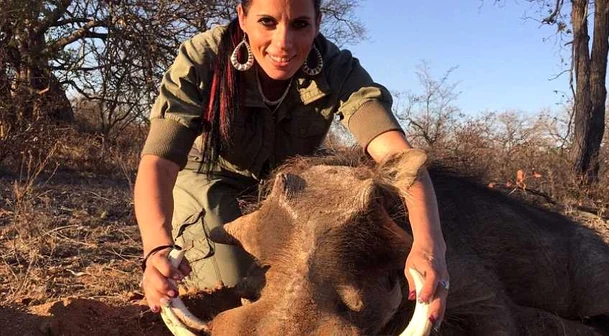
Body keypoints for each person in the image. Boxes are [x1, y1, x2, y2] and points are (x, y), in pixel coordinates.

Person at [135, 0, 449, 330]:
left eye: (300, 24)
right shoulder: (202, 58)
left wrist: (430, 247)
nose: (283, 43)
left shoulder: (338, 68)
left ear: (318, 22)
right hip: (211, 176)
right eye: (267, 22)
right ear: (242, 18)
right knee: (231, 284)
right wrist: (156, 247)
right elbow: (159, 162)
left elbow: (399, 158)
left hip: (292, 189)